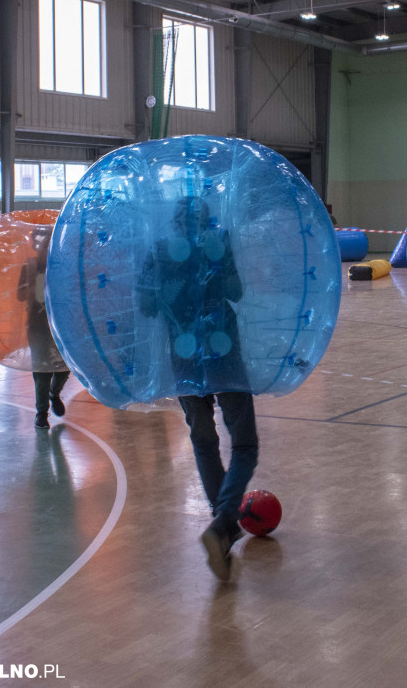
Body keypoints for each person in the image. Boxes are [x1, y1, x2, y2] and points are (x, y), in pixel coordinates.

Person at [140, 197, 258, 580]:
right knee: (244, 444)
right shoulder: (218, 242)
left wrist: (167, 287)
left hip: (184, 356)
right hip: (224, 352)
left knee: (204, 441)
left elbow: (145, 306)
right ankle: (224, 523)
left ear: (173, 224)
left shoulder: (159, 252)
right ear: (207, 220)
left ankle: (220, 521)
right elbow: (236, 292)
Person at [18, 225, 70, 430]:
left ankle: (54, 393)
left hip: (60, 324)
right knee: (41, 370)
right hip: (37, 325)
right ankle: (41, 413)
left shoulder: (61, 266)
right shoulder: (29, 266)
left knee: (66, 366)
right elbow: (19, 295)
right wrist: (31, 287)